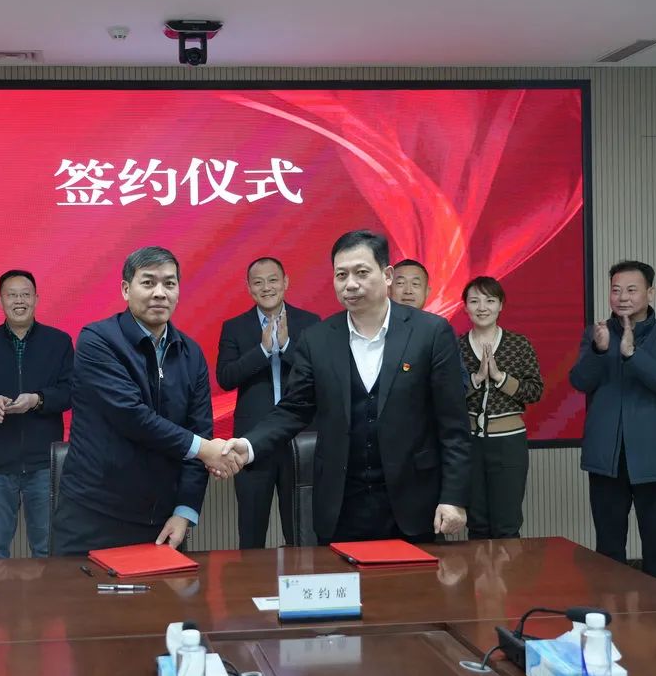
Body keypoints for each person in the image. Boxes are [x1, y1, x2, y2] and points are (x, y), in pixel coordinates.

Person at [224, 231, 471, 544]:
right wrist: (248, 446)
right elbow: (293, 410)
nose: (350, 284)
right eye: (341, 275)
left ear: (387, 275)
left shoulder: (431, 332)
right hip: (341, 504)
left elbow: (453, 423)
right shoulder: (318, 339)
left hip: (414, 501)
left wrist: (454, 497)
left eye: (361, 272)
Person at [51, 246, 237, 556]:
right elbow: (131, 416)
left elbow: (199, 430)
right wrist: (207, 450)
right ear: (126, 289)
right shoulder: (98, 340)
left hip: (162, 522)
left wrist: (185, 511)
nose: (160, 293)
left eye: (169, 283)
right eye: (148, 282)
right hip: (92, 515)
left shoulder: (191, 354)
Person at [570, 260, 656, 584]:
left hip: (655, 458)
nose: (622, 297)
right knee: (608, 549)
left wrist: (633, 354)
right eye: (616, 290)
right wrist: (599, 350)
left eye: (631, 290)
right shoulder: (596, 334)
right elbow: (579, 382)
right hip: (607, 458)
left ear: (651, 293)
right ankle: (611, 611)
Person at [0, 270, 74, 559]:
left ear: (36, 298)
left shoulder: (59, 342)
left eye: (25, 294)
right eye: (12, 295)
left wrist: (38, 400)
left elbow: (71, 391)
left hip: (44, 465)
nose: (19, 301)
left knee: (47, 550)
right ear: (0, 301)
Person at [216, 257, 320, 548]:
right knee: (251, 532)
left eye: (273, 280)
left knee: (301, 532)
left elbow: (319, 374)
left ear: (285, 282)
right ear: (249, 288)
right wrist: (262, 350)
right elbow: (226, 377)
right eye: (258, 282)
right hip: (252, 442)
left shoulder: (310, 322)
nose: (266, 287)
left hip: (300, 438)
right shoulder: (234, 327)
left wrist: (285, 346)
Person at [458, 276, 544, 539]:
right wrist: (476, 379)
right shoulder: (455, 346)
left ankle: (509, 569)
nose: (482, 307)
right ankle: (479, 569)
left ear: (501, 305)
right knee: (476, 523)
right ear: (465, 307)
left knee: (507, 524)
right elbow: (444, 394)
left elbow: (535, 391)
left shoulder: (519, 344)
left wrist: (500, 378)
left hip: (509, 443)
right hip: (468, 443)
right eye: (474, 301)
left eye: (490, 300)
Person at [388, 258, 471, 389]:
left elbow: (459, 384)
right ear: (388, 290)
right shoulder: (372, 328)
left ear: (427, 292)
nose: (408, 290)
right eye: (400, 283)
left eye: (415, 284)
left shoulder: (440, 331)